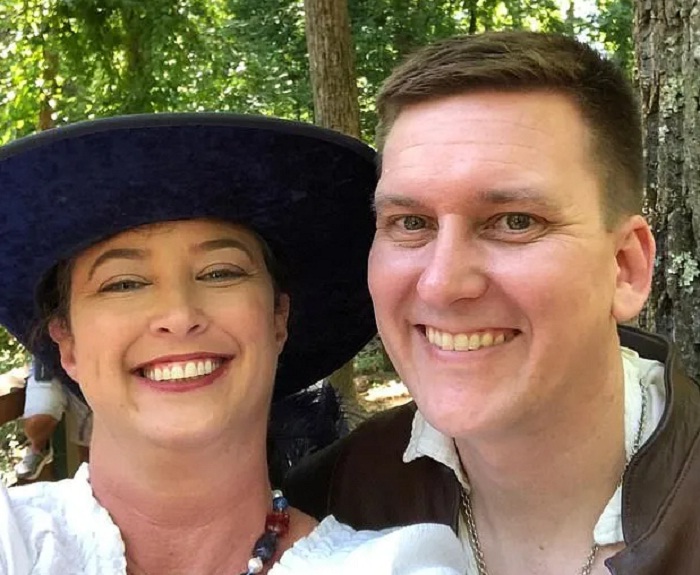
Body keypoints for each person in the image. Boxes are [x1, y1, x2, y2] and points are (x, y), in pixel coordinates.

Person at [284, 30, 700, 574]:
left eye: (515, 222)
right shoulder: (328, 506)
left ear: (625, 267)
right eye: (411, 223)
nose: (441, 284)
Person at [0, 114, 466, 574]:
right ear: (66, 343)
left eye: (221, 273)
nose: (179, 316)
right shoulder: (15, 541)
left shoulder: (390, 566)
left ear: (278, 318)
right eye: (123, 283)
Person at [13, 358, 92, 482]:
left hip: (86, 366)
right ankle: (38, 447)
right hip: (46, 365)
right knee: (37, 422)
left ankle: (92, 483)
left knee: (89, 447)